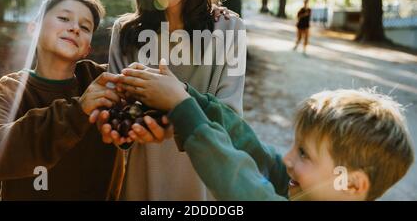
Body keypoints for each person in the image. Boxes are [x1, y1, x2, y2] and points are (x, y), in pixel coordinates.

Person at [112, 61, 414, 201]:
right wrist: (193, 99)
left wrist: (183, 109)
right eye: (296, 147)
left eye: (305, 154)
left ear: (351, 183)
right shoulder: (311, 190)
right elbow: (252, 151)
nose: (288, 158)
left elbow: (239, 182)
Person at [103, 0, 246, 200]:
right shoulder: (125, 31)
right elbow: (116, 114)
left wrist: (174, 102)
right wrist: (119, 129)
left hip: (203, 183)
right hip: (143, 184)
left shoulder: (229, 27)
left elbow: (230, 118)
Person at [0, 0, 126, 200]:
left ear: (87, 48)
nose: (75, 28)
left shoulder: (103, 80)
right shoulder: (13, 89)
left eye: (85, 27)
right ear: (34, 29)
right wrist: (76, 112)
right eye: (64, 18)